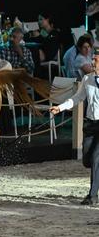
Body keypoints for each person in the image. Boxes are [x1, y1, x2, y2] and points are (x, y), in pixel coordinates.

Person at [50, 47, 99, 205]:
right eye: (93, 59)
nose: (92, 62)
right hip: (91, 124)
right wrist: (60, 107)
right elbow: (77, 98)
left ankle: (92, 196)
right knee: (87, 159)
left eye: (96, 60)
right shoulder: (87, 79)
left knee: (97, 159)